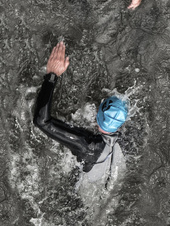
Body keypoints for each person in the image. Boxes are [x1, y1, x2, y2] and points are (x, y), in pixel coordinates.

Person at [33, 40, 129, 192]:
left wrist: (51, 76)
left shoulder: (88, 146)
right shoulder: (126, 141)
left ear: (98, 114)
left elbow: (42, 121)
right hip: (108, 194)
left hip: (85, 196)